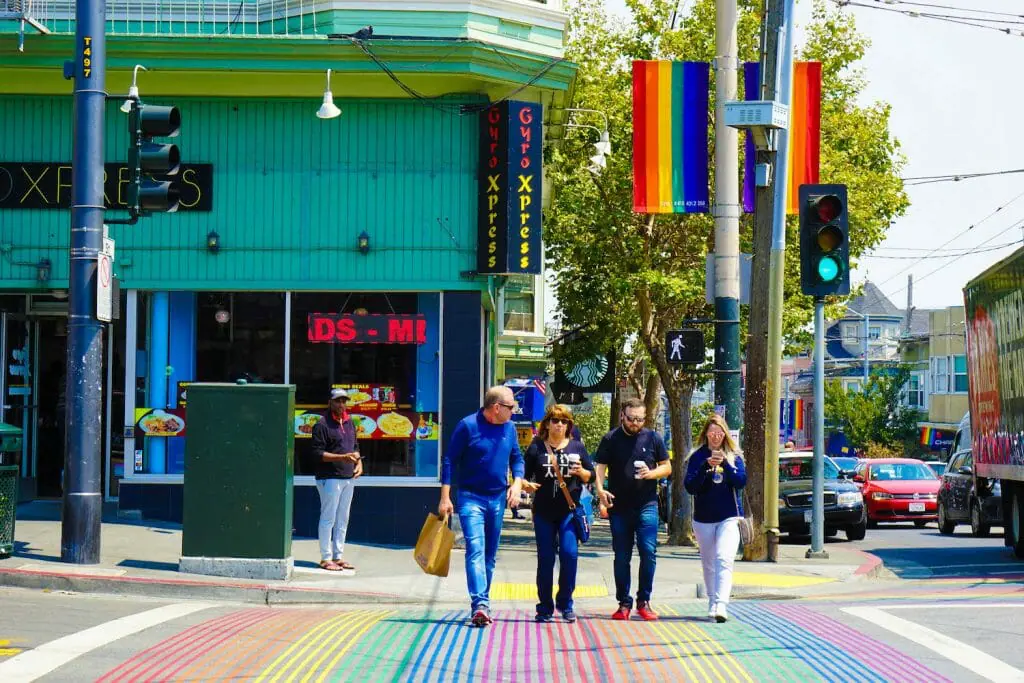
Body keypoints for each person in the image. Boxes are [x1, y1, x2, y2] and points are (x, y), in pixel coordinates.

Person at [439, 386, 525, 627]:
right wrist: (445, 497)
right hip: (470, 498)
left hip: (497, 498)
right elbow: (449, 460)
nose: (514, 412)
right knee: (475, 548)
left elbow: (517, 458)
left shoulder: (509, 428)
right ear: (496, 407)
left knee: (489, 555)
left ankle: (483, 602)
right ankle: (480, 604)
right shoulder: (467, 426)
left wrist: (517, 483)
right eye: (511, 407)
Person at [594, 398, 671, 621]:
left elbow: (666, 467)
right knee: (622, 556)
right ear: (622, 416)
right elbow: (600, 468)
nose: (635, 423)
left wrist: (652, 474)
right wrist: (601, 492)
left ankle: (644, 600)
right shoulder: (611, 438)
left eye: (639, 419)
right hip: (619, 506)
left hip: (647, 504)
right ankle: (623, 603)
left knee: (648, 552)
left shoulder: (653, 438)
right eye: (631, 419)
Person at [522, 405, 594, 624]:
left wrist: (581, 472)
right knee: (545, 559)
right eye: (555, 420)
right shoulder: (536, 448)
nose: (559, 425)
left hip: (568, 512)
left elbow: (590, 476)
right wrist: (525, 485)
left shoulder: (577, 447)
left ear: (569, 426)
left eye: (564, 422)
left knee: (570, 555)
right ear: (547, 423)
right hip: (543, 511)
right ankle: (544, 607)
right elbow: (521, 476)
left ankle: (565, 602)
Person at [684, 413, 747, 623]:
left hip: (728, 517)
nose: (715, 436)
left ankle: (721, 604)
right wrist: (705, 466)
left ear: (725, 434)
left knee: (724, 558)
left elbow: (740, 482)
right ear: (706, 434)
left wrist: (726, 465)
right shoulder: (697, 456)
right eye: (712, 432)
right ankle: (712, 601)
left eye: (719, 432)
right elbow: (690, 486)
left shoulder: (734, 455)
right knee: (709, 562)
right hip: (703, 518)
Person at [311, 388, 363, 571]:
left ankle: (338, 556)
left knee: (343, 518)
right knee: (328, 518)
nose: (341, 404)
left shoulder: (349, 422)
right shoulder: (322, 424)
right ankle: (326, 558)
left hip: (348, 477)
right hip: (329, 478)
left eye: (344, 401)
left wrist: (359, 463)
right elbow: (317, 454)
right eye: (338, 401)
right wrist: (342, 458)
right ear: (330, 402)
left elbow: (355, 447)